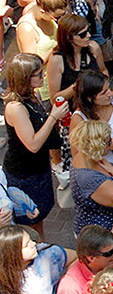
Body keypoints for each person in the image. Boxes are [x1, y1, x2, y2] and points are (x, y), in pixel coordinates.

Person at [3, 54, 66, 230]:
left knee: (41, 216)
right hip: (24, 174)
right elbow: (33, 144)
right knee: (32, 222)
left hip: (39, 168)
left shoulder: (31, 96)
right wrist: (53, 116)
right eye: (38, 74)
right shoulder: (16, 107)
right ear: (25, 78)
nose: (43, 76)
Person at [70, 71, 113, 174]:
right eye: (104, 93)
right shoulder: (79, 118)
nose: (109, 93)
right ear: (90, 98)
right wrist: (107, 146)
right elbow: (77, 156)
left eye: (109, 88)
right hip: (105, 171)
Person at [16, 0, 67, 103]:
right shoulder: (27, 27)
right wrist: (57, 46)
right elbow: (32, 64)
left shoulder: (46, 17)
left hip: (59, 78)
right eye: (56, 17)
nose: (58, 19)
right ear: (43, 11)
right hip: (43, 89)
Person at [48, 14, 107, 104]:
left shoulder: (93, 48)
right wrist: (78, 86)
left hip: (96, 104)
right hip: (74, 108)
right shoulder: (57, 60)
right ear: (69, 38)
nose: (88, 35)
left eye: (88, 30)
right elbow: (54, 99)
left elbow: (103, 71)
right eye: (82, 35)